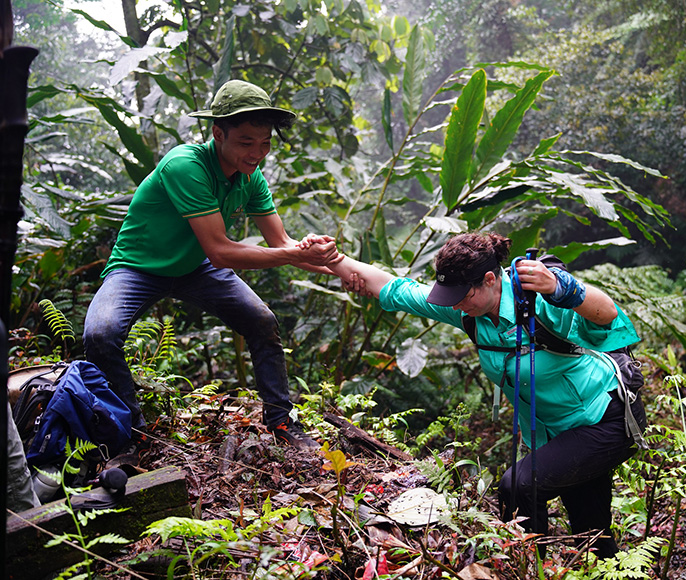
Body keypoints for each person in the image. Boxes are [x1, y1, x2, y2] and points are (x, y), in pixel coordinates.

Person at [329, 232, 646, 558]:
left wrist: (561, 288)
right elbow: (397, 290)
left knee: (518, 486)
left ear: (490, 280)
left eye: (462, 296)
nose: (455, 304)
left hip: (604, 418)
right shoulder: (469, 311)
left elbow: (607, 315)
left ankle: (525, 567)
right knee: (591, 534)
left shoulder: (538, 302)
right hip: (557, 433)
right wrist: (334, 260)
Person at [83, 80, 341, 453]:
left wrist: (338, 268)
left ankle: (282, 423)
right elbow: (221, 251)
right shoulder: (185, 165)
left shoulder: (250, 177)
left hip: (195, 268)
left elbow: (282, 243)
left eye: (265, 143)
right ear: (218, 133)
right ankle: (133, 435)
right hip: (138, 268)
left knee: (262, 322)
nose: (257, 153)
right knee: (100, 334)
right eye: (246, 142)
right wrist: (296, 255)